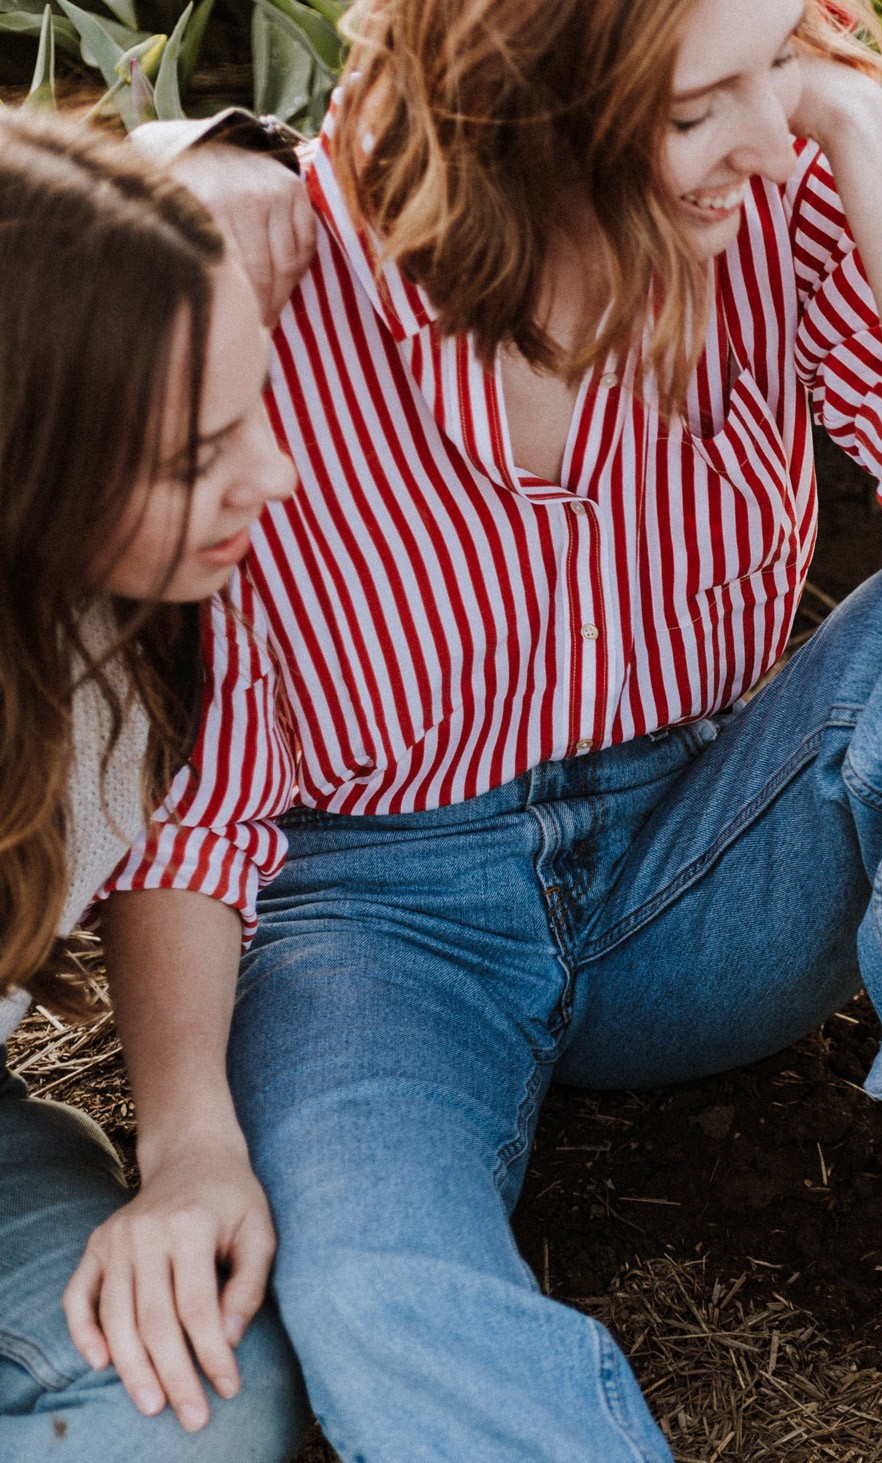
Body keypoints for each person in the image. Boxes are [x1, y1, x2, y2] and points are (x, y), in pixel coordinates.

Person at [119, 0, 882, 1457]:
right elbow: (197, 778)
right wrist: (187, 1134)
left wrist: (863, 122)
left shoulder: (779, 195)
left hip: (696, 852)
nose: (766, 139)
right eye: (702, 103)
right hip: (381, 919)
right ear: (527, 107)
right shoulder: (278, 275)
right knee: (376, 1286)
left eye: (783, 69)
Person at [0, 111, 305, 1457]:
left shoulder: (117, 642)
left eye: (256, 413)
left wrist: (191, 1144)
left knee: (195, 1397)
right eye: (195, 460)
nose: (274, 479)